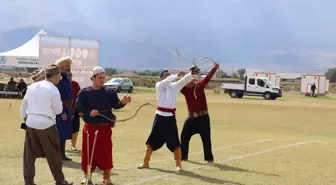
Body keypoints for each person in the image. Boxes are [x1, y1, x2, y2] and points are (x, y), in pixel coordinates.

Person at [76, 66, 131, 185]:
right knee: (88, 153)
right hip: (90, 128)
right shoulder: (84, 92)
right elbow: (78, 106)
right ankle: (87, 176)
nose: (102, 80)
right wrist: (90, 111)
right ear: (93, 78)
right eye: (99, 77)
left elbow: (116, 105)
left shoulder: (109, 91)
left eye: (103, 77)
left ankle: (107, 177)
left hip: (104, 128)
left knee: (106, 153)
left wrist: (122, 102)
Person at [137, 67, 200, 172]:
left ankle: (179, 165)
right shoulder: (159, 85)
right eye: (165, 75)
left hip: (170, 118)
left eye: (168, 74)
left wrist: (191, 73)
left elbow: (183, 81)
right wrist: (175, 75)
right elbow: (167, 81)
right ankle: (145, 162)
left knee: (175, 142)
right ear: (162, 77)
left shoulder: (174, 86)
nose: (167, 76)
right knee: (152, 141)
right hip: (160, 117)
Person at [20, 64, 73, 185]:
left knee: (29, 155)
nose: (60, 78)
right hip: (47, 124)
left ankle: (28, 181)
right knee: (54, 154)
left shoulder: (32, 87)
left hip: (31, 123)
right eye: (59, 75)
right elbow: (59, 110)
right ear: (54, 76)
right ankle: (60, 181)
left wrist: (26, 120)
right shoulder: (53, 89)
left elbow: (23, 107)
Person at [180, 63, 219, 164]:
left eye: (192, 78)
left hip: (203, 118)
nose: (191, 79)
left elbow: (208, 77)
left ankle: (209, 159)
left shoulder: (199, 86)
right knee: (184, 136)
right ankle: (183, 156)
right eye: (189, 78)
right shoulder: (184, 90)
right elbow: (179, 83)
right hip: (192, 118)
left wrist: (215, 68)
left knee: (206, 139)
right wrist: (187, 73)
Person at [55, 56, 74, 161]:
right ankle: (59, 154)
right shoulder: (60, 79)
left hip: (67, 107)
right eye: (67, 65)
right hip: (61, 108)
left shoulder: (66, 78)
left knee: (64, 132)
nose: (69, 68)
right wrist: (62, 111)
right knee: (60, 132)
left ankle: (62, 153)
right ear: (62, 67)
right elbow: (58, 97)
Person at [67, 72, 81, 151]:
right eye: (68, 76)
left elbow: (80, 96)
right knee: (63, 129)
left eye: (70, 76)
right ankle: (60, 146)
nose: (69, 77)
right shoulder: (61, 85)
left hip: (75, 110)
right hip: (65, 110)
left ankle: (73, 145)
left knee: (75, 129)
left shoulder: (75, 84)